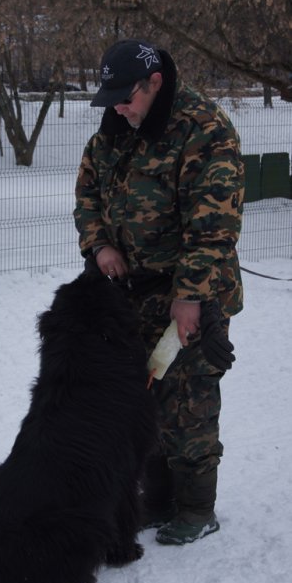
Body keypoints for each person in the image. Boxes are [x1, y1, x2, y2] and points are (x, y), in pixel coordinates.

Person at [74, 39, 244, 545]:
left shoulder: (204, 129)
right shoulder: (115, 128)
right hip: (131, 294)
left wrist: (190, 296)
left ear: (155, 83)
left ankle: (196, 508)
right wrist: (99, 244)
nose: (118, 109)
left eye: (126, 98)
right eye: (110, 100)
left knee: (187, 401)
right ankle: (160, 497)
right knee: (143, 396)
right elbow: (87, 191)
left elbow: (213, 225)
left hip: (192, 293)